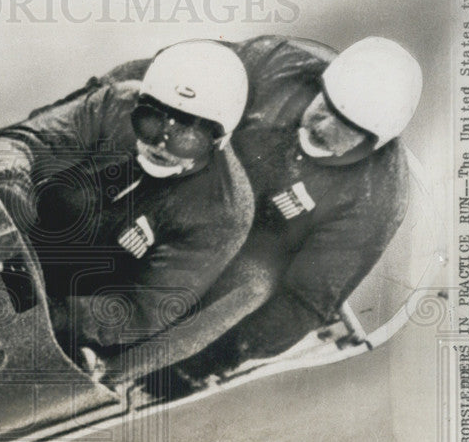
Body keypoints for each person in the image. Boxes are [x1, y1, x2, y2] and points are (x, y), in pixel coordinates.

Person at [101, 35, 423, 387]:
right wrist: (99, 95)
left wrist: (215, 356)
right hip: (191, 184)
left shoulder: (377, 199)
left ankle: (119, 372)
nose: (322, 124)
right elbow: (176, 70)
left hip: (254, 251)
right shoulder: (277, 62)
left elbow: (304, 303)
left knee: (254, 285)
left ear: (374, 142)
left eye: (346, 126)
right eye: (326, 104)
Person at [0, 40, 253, 358]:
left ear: (218, 141)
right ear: (138, 107)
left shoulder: (224, 211)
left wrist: (46, 310)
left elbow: (142, 312)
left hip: (70, 304)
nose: (162, 145)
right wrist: (12, 210)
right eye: (150, 123)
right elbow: (22, 141)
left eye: (186, 139)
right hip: (13, 242)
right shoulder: (116, 101)